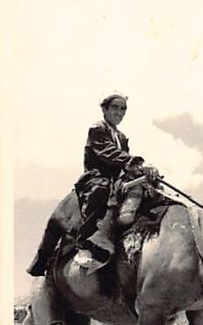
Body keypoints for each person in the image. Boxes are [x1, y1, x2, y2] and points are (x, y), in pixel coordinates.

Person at [27, 92, 157, 276]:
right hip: (96, 177)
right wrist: (137, 162)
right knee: (100, 190)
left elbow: (125, 165)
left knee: (149, 191)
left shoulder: (122, 137)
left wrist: (144, 171)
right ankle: (85, 243)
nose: (119, 112)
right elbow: (109, 153)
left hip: (117, 181)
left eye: (123, 109)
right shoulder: (97, 129)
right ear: (104, 109)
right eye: (115, 107)